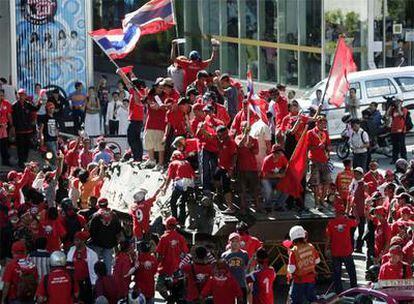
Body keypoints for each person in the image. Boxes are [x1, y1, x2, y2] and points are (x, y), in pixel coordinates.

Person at [325, 203, 358, 294]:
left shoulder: (331, 223)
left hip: (335, 252)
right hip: (346, 251)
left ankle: (339, 292)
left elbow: (328, 238)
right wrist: (355, 212)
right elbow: (357, 222)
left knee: (337, 273)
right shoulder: (347, 221)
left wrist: (326, 249)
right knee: (351, 271)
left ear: (336, 211)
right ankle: (354, 290)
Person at [155, 216, 189, 302]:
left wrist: (155, 267)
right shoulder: (181, 238)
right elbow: (185, 254)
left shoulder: (163, 238)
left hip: (165, 269)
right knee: (180, 291)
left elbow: (159, 255)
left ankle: (169, 299)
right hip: (178, 270)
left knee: (159, 286)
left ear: (166, 225)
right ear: (175, 226)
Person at [287, 226, 320, 304]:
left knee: (296, 301)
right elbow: (317, 261)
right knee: (312, 299)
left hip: (299, 281)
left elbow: (291, 269)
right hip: (311, 279)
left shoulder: (294, 251)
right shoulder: (311, 246)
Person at [117, 70, 145, 162]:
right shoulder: (135, 91)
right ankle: (137, 156)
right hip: (135, 119)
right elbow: (128, 82)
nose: (131, 85)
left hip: (137, 119)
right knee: (135, 138)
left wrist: (124, 74)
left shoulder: (140, 92)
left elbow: (138, 102)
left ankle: (137, 156)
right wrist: (123, 74)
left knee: (132, 138)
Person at [89, 197, 122, 273]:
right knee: (108, 266)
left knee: (95, 264)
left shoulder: (96, 215)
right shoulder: (114, 215)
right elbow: (118, 230)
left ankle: (97, 282)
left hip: (97, 244)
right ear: (107, 204)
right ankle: (108, 282)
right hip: (109, 244)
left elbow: (91, 230)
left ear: (99, 205)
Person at [235, 122, 261, 213]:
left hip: (252, 167)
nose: (244, 128)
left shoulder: (254, 139)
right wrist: (245, 135)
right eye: (243, 126)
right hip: (242, 168)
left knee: (255, 189)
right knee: (242, 189)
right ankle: (243, 207)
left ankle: (257, 207)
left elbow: (256, 151)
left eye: (246, 127)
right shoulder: (238, 137)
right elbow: (239, 145)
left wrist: (251, 147)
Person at [142, 79, 168, 170]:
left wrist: (159, 107)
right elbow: (144, 102)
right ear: (156, 86)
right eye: (160, 87)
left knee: (160, 144)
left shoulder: (166, 96)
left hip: (161, 123)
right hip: (150, 123)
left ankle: (160, 163)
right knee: (149, 141)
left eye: (162, 87)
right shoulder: (150, 95)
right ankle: (151, 159)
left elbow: (165, 107)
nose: (161, 89)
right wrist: (145, 99)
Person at [307, 116, 332, 210]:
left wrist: (329, 147)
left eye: (325, 123)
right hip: (314, 161)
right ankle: (316, 203)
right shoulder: (310, 133)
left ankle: (322, 200)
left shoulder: (325, 132)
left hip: (325, 160)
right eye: (321, 123)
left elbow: (328, 145)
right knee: (315, 184)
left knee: (327, 182)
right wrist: (317, 146)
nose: (323, 125)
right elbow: (307, 147)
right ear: (316, 123)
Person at [67, 230, 98, 304]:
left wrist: (94, 283)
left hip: (86, 283)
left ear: (83, 240)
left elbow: (94, 270)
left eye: (77, 240)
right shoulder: (71, 250)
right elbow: (68, 266)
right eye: (74, 240)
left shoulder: (92, 254)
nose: (75, 242)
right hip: (74, 282)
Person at [12, 89, 41, 168]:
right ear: (18, 95)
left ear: (25, 96)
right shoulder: (14, 105)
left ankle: (25, 161)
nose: (22, 96)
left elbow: (35, 109)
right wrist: (13, 128)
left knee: (27, 147)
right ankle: (21, 162)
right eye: (20, 95)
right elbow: (13, 118)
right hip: (19, 130)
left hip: (28, 130)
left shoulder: (28, 104)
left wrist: (39, 103)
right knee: (20, 147)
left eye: (23, 95)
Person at [214, 125, 237, 213]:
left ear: (225, 133)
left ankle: (231, 208)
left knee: (226, 187)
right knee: (215, 177)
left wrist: (231, 169)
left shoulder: (230, 143)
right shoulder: (222, 141)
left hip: (227, 168)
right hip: (220, 166)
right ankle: (219, 194)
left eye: (220, 134)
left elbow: (234, 156)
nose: (219, 136)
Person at [221, 233, 249, 304]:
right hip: (229, 284)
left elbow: (247, 268)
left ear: (240, 242)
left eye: (237, 241)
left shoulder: (244, 254)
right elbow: (222, 270)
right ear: (229, 242)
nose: (235, 243)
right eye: (232, 241)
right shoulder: (224, 255)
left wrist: (248, 284)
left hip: (241, 284)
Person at [261, 144, 288, 212]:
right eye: (279, 153)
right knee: (268, 190)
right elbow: (265, 175)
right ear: (274, 153)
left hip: (277, 178)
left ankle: (279, 205)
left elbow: (287, 167)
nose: (281, 154)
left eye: (281, 153)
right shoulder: (267, 160)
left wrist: (283, 172)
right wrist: (278, 175)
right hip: (266, 179)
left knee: (287, 187)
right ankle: (267, 206)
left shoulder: (283, 158)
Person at [348, 167, 367, 252]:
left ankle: (359, 247)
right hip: (352, 212)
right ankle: (351, 247)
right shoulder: (352, 183)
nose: (356, 175)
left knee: (361, 231)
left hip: (361, 212)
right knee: (351, 231)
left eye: (358, 174)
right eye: (355, 173)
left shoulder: (363, 185)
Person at [387, 98, 408, 163]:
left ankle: (404, 158)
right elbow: (387, 114)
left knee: (402, 145)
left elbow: (401, 114)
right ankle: (394, 159)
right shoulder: (393, 110)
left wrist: (399, 107)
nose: (396, 103)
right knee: (395, 146)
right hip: (393, 130)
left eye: (398, 101)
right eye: (396, 102)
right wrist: (390, 106)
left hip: (401, 130)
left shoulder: (404, 109)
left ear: (401, 102)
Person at [0, 89, 13, 166]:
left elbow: (9, 115)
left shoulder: (6, 103)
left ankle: (6, 161)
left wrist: (11, 125)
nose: (0, 97)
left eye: (2, 95)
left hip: (4, 127)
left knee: (4, 144)